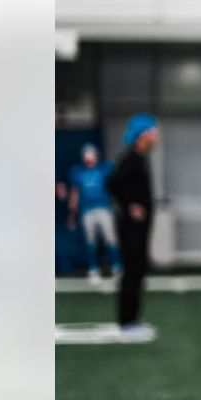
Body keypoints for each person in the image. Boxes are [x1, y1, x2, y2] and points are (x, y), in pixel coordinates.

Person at [105, 113, 160, 341]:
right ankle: (127, 322)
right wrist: (131, 205)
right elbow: (112, 182)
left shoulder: (140, 158)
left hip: (140, 226)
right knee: (132, 270)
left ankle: (133, 319)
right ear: (143, 135)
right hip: (131, 227)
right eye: (154, 131)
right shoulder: (130, 158)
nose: (157, 136)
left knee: (138, 270)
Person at [68, 143, 120, 283]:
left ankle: (117, 267)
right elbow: (75, 193)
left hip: (103, 208)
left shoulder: (103, 169)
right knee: (91, 240)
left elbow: (115, 180)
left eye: (92, 155)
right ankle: (93, 269)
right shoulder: (78, 172)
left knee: (111, 238)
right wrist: (72, 212)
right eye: (87, 155)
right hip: (87, 210)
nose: (90, 158)